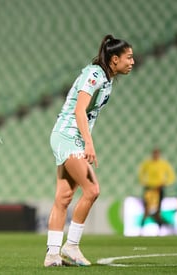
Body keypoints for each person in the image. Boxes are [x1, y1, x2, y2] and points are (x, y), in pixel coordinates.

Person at [44, 34, 134, 267]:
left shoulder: (106, 78)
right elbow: (79, 110)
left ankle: (53, 255)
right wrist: (89, 143)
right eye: (129, 57)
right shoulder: (94, 75)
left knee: (63, 198)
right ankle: (71, 246)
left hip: (67, 137)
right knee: (92, 190)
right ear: (114, 59)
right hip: (67, 137)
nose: (132, 62)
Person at [138, 148, 175, 229]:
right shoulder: (147, 164)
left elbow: (171, 176)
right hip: (149, 189)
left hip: (159, 188)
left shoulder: (163, 164)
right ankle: (141, 230)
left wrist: (165, 183)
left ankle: (159, 230)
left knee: (158, 210)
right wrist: (144, 182)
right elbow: (140, 174)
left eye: (157, 153)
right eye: (154, 153)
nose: (155, 155)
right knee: (146, 210)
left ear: (159, 154)